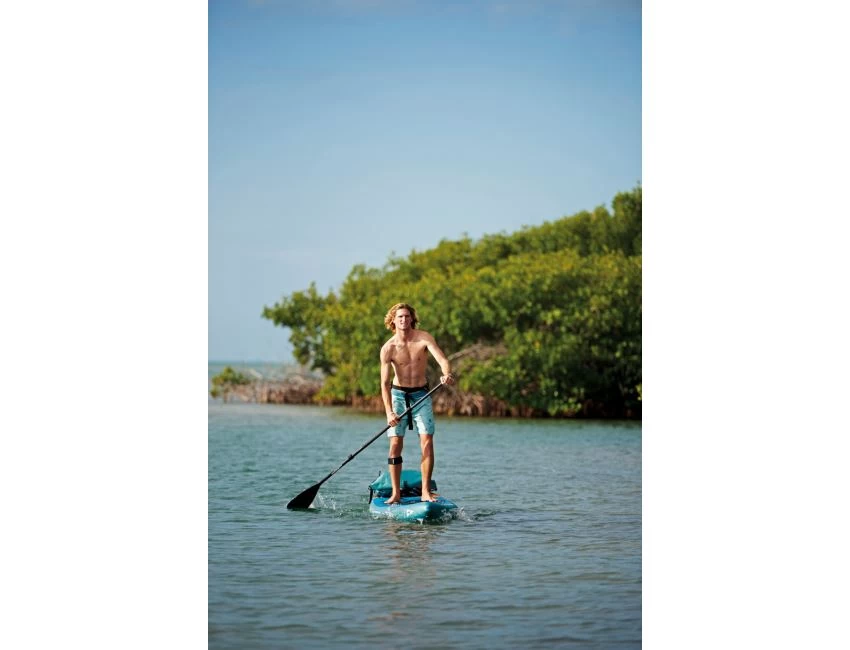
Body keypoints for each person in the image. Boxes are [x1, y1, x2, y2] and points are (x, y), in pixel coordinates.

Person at [380, 303, 455, 504]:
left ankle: (425, 491)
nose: (404, 320)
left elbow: (442, 359)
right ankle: (395, 493)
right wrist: (389, 413)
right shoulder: (388, 348)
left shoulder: (424, 338)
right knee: (395, 444)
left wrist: (446, 374)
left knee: (427, 441)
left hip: (422, 394)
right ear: (393, 320)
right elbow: (384, 384)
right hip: (398, 396)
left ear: (412, 318)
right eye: (400, 317)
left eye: (407, 316)